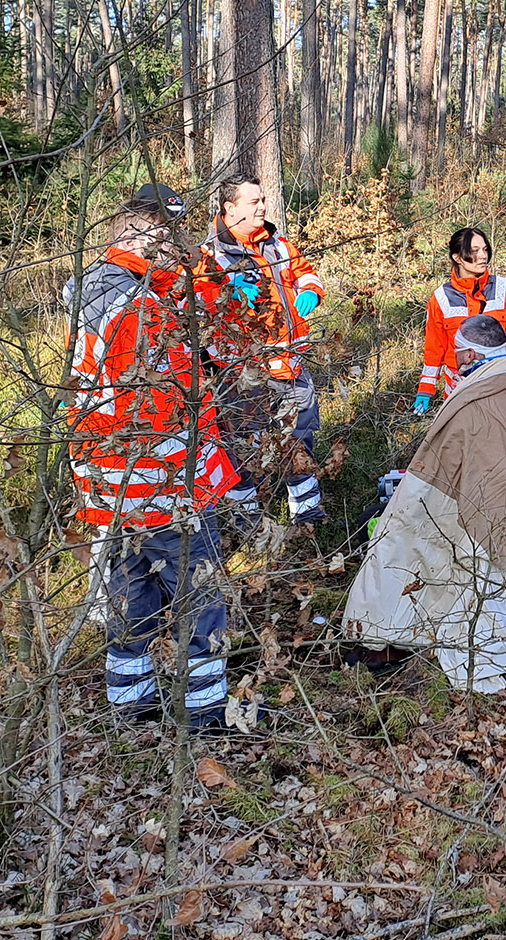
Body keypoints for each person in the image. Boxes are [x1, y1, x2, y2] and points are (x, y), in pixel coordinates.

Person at [65, 183, 258, 731]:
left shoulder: (98, 289)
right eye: (170, 235)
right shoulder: (138, 306)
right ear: (140, 231)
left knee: (133, 591)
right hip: (162, 483)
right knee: (201, 592)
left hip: (113, 483)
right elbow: (170, 404)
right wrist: (213, 470)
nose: (179, 247)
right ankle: (205, 711)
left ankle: (130, 703)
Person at [341, 315, 506, 693]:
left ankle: (386, 635)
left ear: (469, 354)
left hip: (482, 510)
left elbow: (443, 467)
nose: (454, 359)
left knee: (406, 544)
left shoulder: (474, 403)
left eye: (457, 352)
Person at [198, 175, 329, 526]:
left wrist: (311, 291)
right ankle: (245, 517)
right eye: (254, 201)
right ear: (230, 208)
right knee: (244, 444)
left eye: (263, 200)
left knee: (299, 437)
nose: (263, 207)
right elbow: (200, 310)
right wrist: (228, 294)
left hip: (291, 363)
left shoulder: (278, 245)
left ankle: (306, 511)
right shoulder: (209, 256)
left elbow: (306, 273)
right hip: (244, 373)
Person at [414, 226, 506, 412]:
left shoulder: (504, 288)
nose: (483, 256)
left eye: (485, 249)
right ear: (457, 258)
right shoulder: (441, 298)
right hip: (458, 389)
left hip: (500, 383)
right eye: (475, 251)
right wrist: (426, 388)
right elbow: (434, 347)